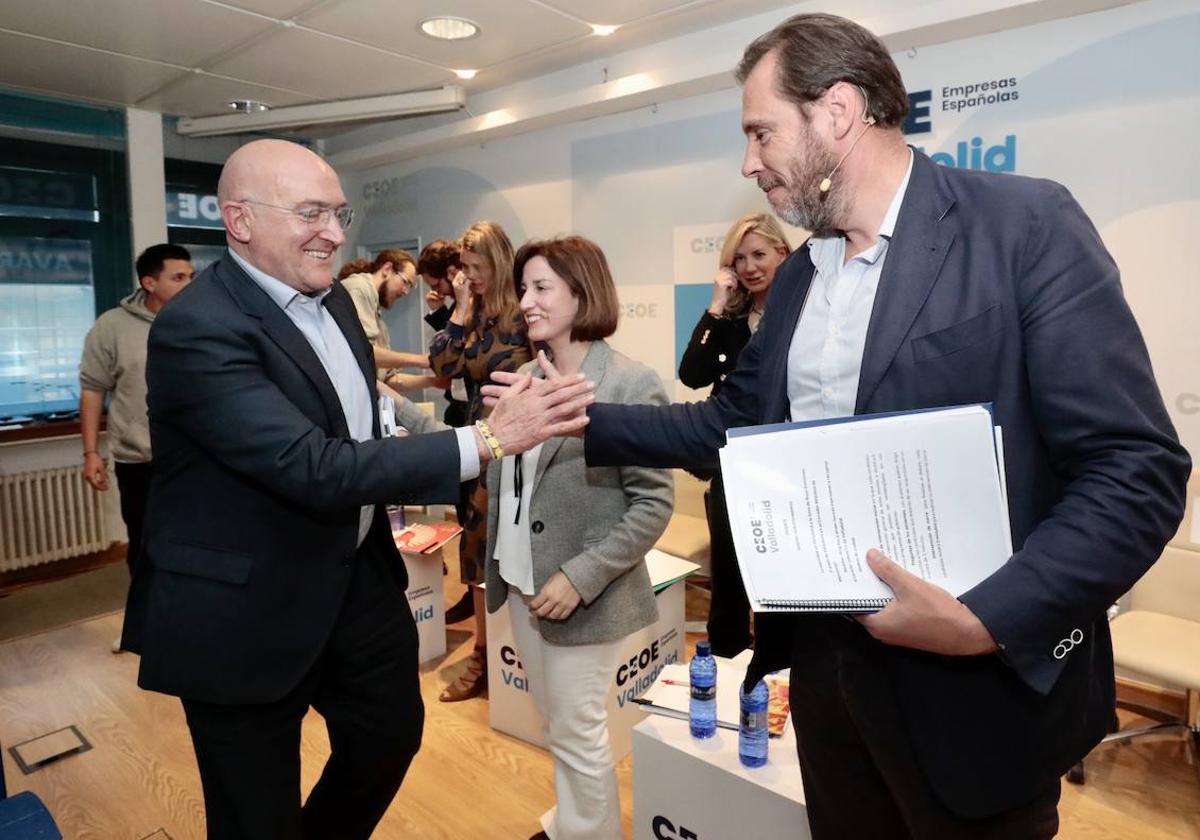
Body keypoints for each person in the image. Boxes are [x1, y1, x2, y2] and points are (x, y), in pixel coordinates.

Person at [490, 14, 1190, 839]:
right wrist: (575, 419)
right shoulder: (795, 283)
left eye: (760, 133)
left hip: (975, 695)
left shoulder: (1022, 225)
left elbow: (1135, 469)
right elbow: (730, 425)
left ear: (839, 110)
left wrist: (985, 621)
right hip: (824, 678)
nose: (747, 163)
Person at [119, 138, 594, 840]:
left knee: (390, 735)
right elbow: (315, 466)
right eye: (311, 212)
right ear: (239, 220)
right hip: (242, 608)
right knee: (255, 817)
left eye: (339, 213)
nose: (336, 233)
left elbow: (355, 419)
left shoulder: (336, 301)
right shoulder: (199, 328)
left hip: (353, 579)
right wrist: (487, 439)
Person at [677, 212, 791, 656]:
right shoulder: (730, 320)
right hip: (732, 464)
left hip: (784, 468)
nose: (749, 267)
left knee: (779, 583)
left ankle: (777, 667)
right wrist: (716, 304)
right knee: (727, 576)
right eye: (739, 258)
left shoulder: (804, 309)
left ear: (784, 254)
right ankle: (726, 669)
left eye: (760, 254)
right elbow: (691, 375)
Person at [429, 221, 533, 700]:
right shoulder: (471, 314)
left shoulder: (524, 313)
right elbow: (445, 369)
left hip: (525, 451)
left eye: (477, 267)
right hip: (478, 445)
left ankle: (521, 654)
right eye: (464, 268)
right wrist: (460, 309)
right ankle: (482, 656)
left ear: (499, 261)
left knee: (521, 552)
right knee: (474, 551)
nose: (469, 275)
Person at [79, 243, 194, 589]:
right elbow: (92, 389)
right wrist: (90, 453)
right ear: (149, 282)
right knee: (145, 545)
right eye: (178, 277)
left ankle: (192, 623)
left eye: (191, 276)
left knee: (196, 543)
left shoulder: (200, 320)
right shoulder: (111, 326)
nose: (189, 284)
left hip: (195, 458)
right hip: (139, 459)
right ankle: (145, 628)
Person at [337, 250, 443, 393]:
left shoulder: (380, 324)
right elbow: (363, 352)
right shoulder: (359, 288)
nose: (405, 291)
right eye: (405, 282)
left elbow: (389, 380)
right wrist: (423, 360)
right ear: (387, 269)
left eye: (410, 287)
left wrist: (434, 381)